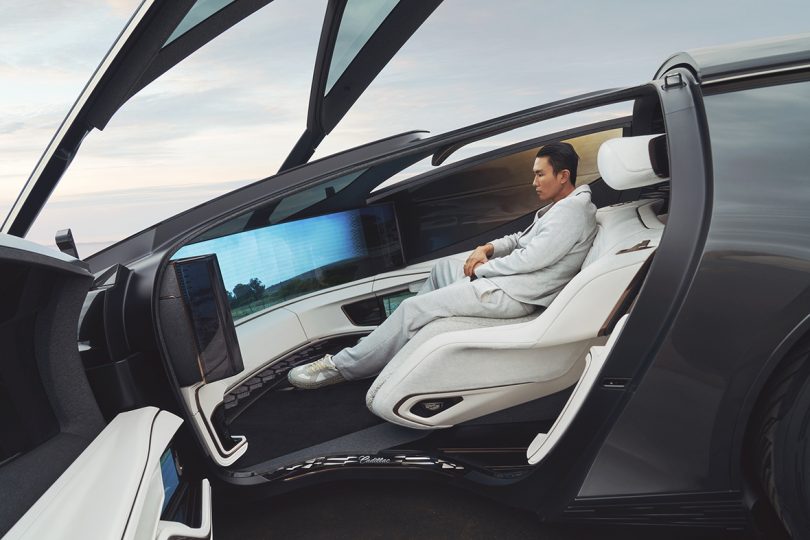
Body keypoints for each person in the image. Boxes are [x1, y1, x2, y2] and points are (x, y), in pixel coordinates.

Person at [288, 141, 597, 389]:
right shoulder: (558, 208)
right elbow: (521, 240)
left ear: (564, 175)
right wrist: (487, 247)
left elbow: (531, 260)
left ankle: (341, 367)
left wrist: (480, 269)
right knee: (440, 270)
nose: (534, 182)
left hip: (512, 295)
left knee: (413, 309)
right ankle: (386, 342)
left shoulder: (571, 213)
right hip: (506, 282)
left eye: (540, 174)